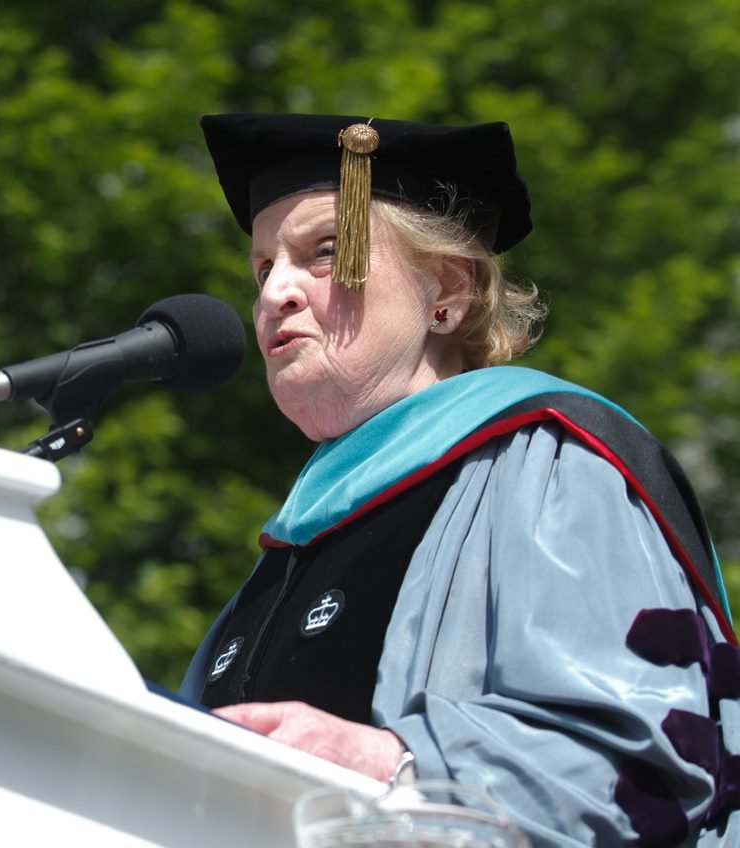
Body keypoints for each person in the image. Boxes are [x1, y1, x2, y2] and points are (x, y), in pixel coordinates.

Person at [177, 113, 740, 845]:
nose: (273, 293)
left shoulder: (548, 464)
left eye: (323, 252)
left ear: (447, 291)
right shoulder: (290, 545)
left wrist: (392, 766)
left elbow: (641, 760)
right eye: (261, 269)